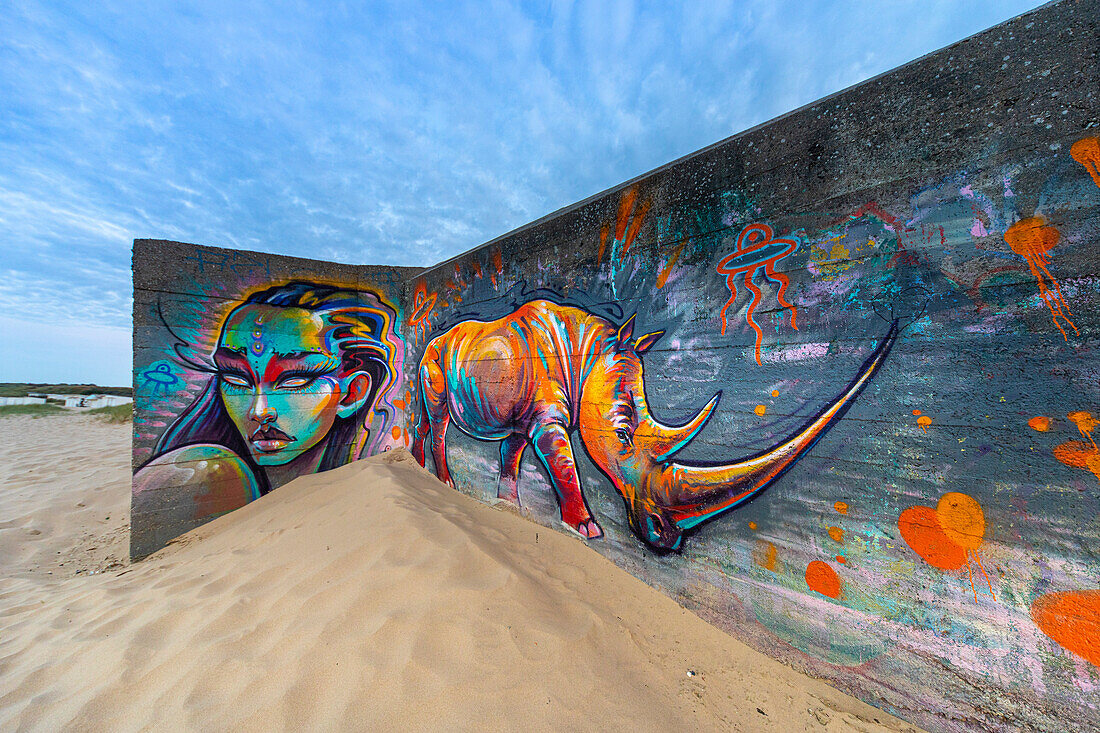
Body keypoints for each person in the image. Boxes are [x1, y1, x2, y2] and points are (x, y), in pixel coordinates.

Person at [133, 281, 403, 527]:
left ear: (352, 393)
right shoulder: (203, 472)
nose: (259, 411)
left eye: (294, 380)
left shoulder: (374, 482)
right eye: (236, 378)